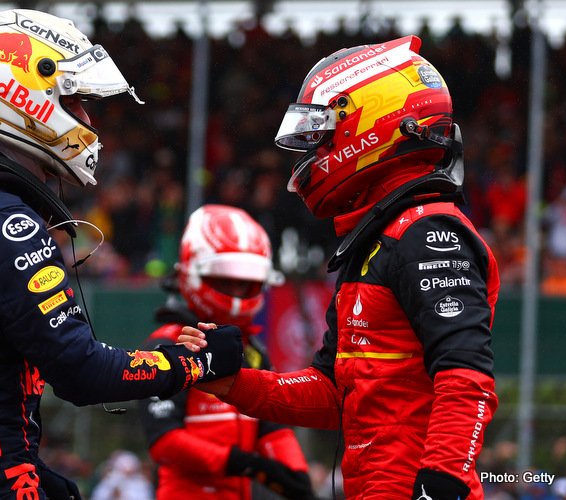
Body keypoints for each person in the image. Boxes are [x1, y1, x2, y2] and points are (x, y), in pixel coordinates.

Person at [0, 8, 242, 499]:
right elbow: (82, 372)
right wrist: (195, 364)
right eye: (75, 102)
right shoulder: (5, 223)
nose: (86, 120)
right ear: (24, 99)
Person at [179, 35, 499, 500]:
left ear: (371, 121)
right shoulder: (379, 240)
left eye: (324, 134)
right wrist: (232, 381)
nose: (314, 153)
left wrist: (442, 485)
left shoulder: (427, 232)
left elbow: (466, 376)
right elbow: (332, 394)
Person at [138, 204, 315, 500]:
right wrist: (245, 464)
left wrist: (298, 478)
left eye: (247, 284)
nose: (236, 293)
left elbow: (272, 426)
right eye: (225, 280)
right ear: (191, 273)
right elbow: (164, 441)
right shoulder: (166, 346)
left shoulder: (252, 350)